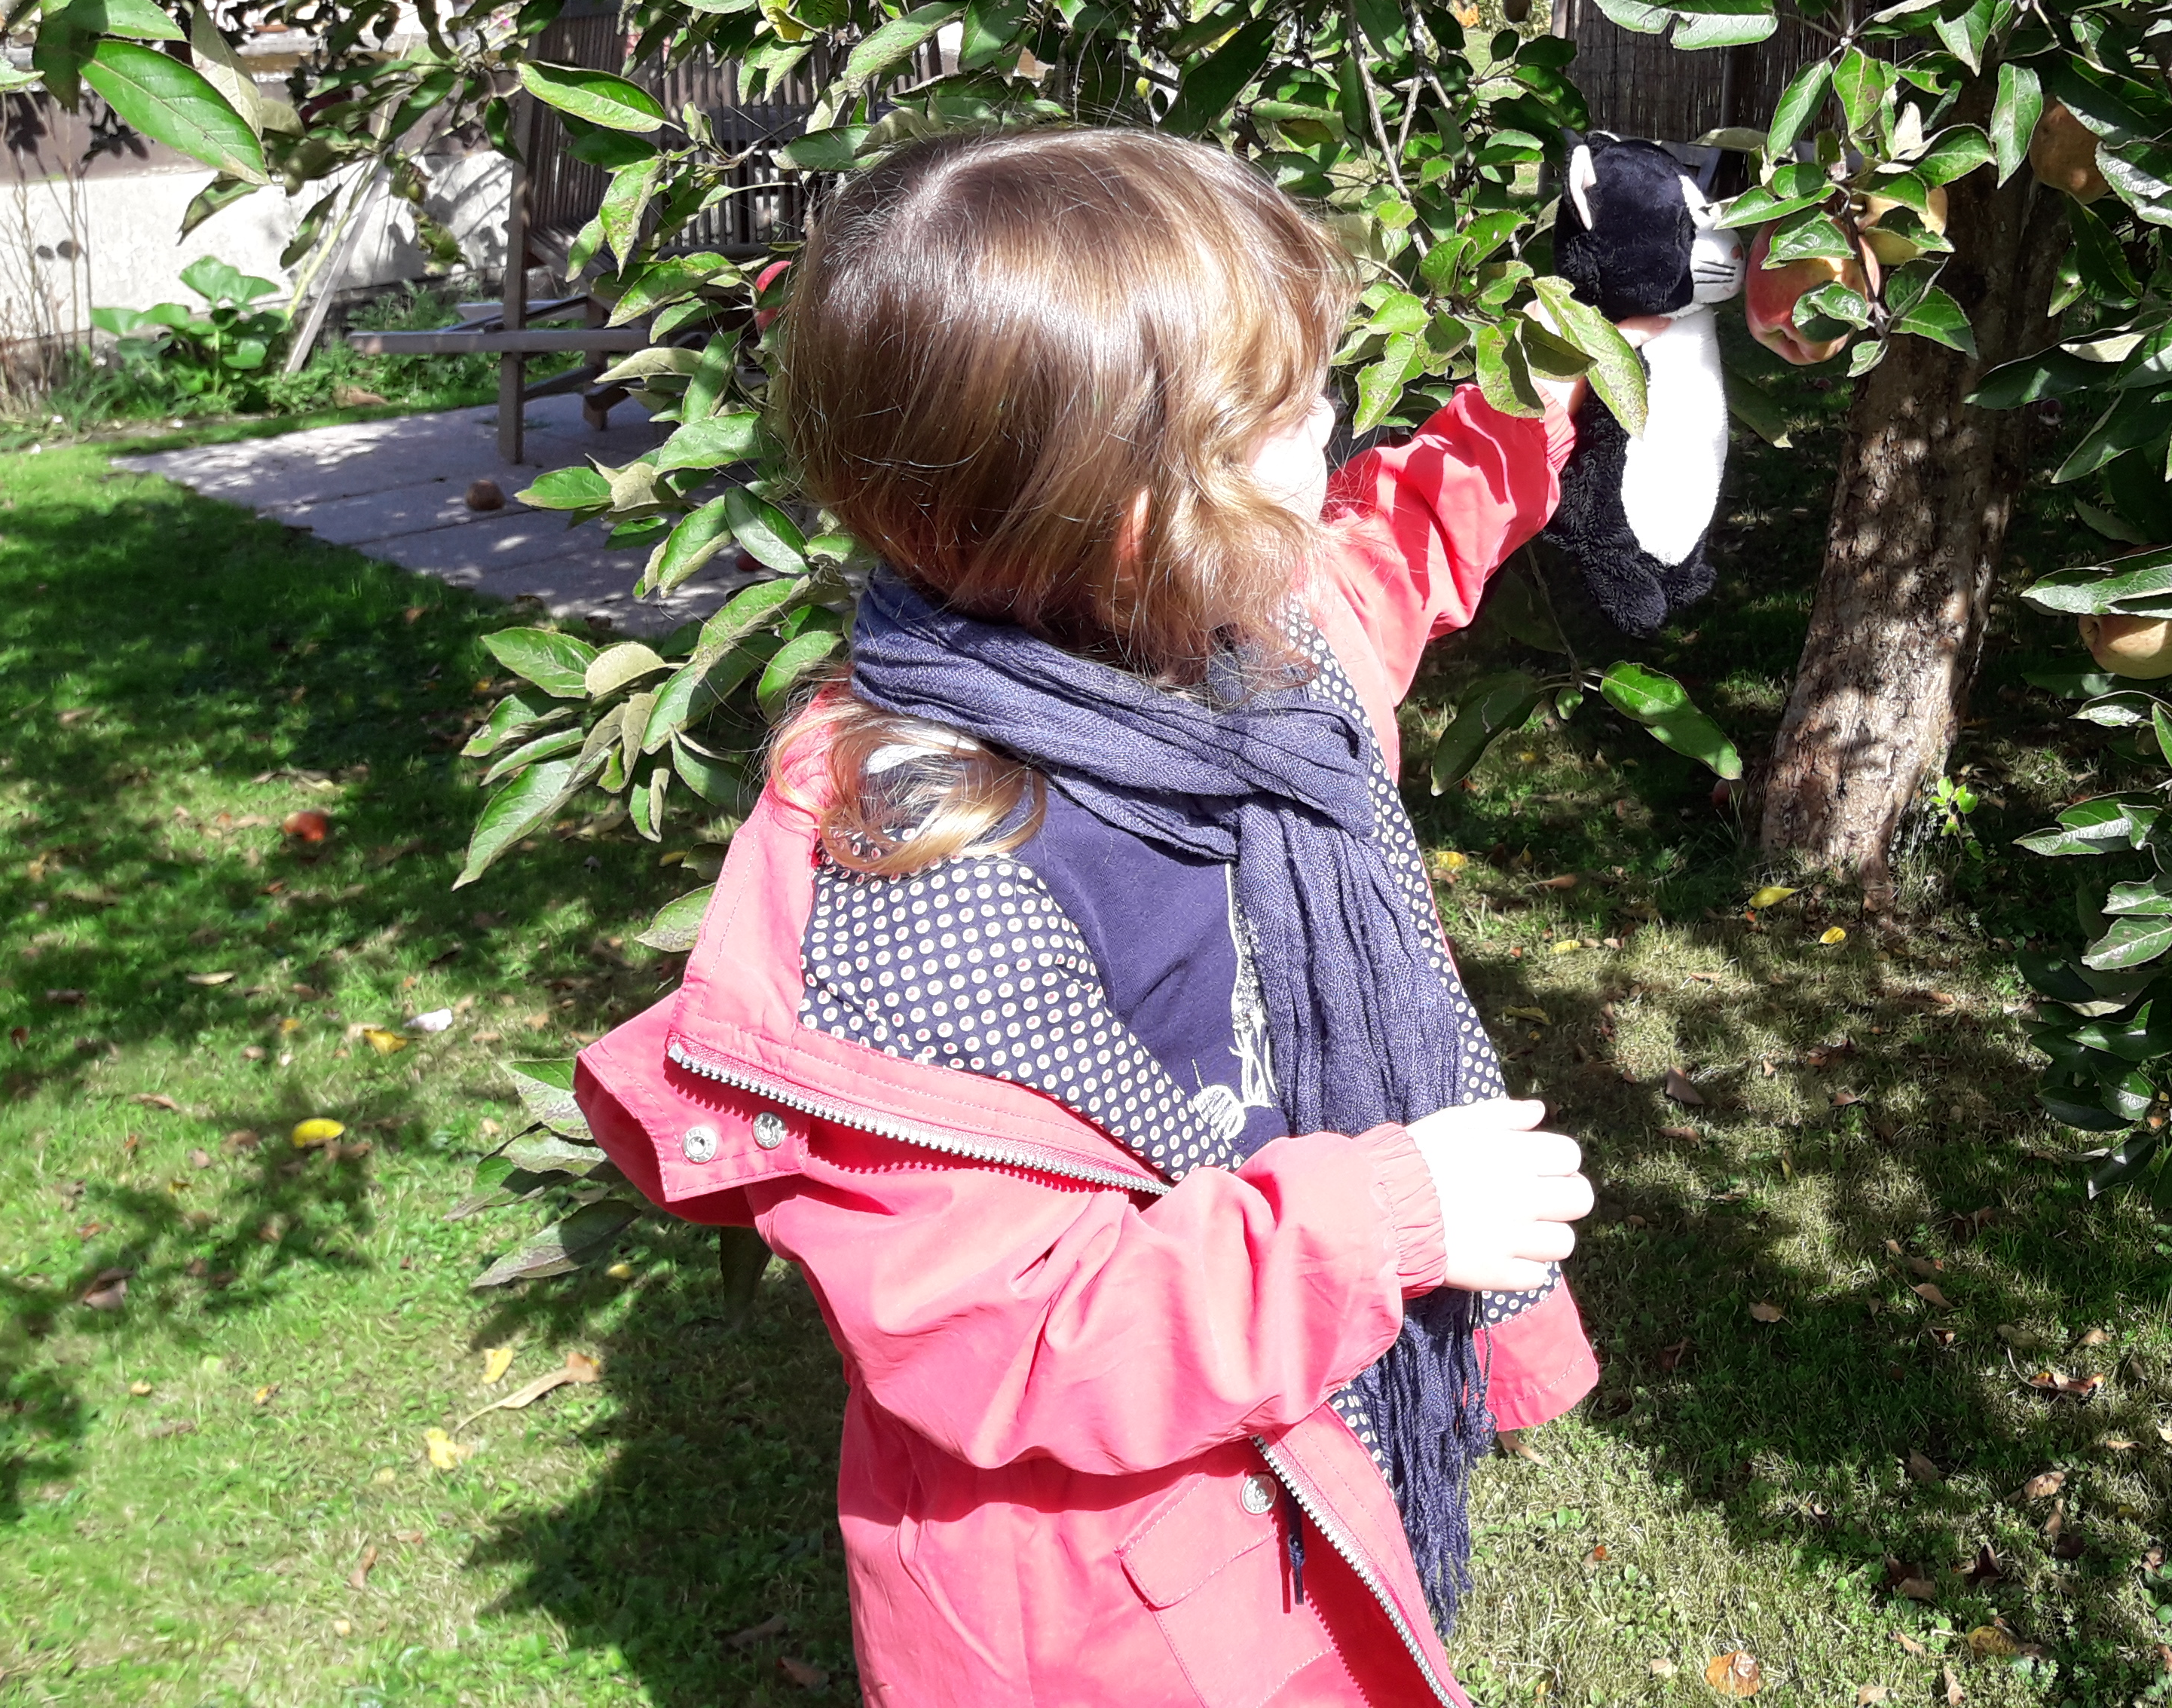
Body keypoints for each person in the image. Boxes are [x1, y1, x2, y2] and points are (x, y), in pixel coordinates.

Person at [576, 124, 1623, 1706]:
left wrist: (1557, 374)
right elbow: (1012, 1329)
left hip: (1305, 1453)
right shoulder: (914, 877)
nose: (1330, 429)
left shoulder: (1246, 654)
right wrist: (1389, 1222)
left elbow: (1400, 553)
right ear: (1119, 508)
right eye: (1279, 415)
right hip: (1111, 1599)